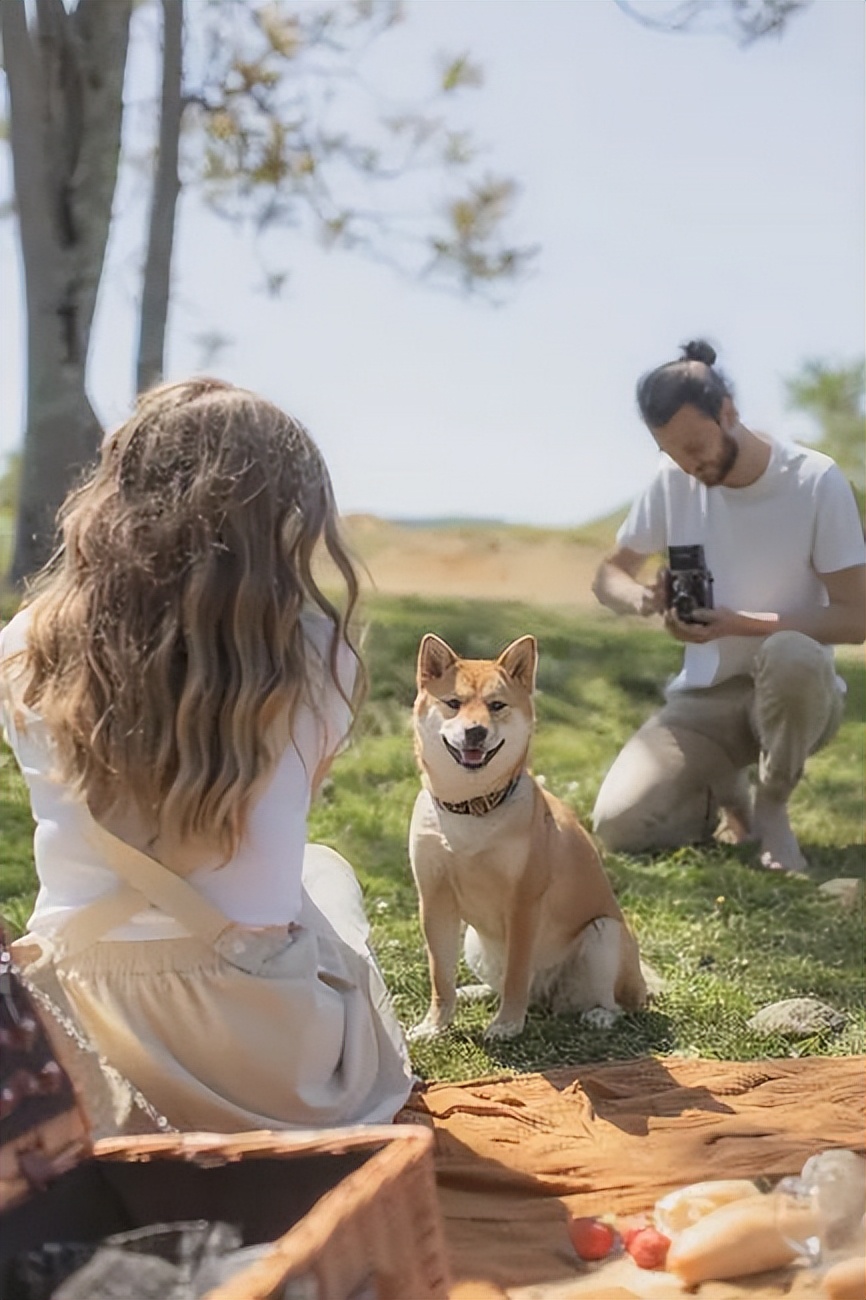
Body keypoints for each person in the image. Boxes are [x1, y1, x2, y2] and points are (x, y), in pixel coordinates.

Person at [0, 378, 414, 1132]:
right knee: (324, 872)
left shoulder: (25, 643)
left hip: (84, 1050)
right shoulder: (320, 652)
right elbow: (281, 820)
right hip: (266, 1069)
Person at [591, 339, 866, 874]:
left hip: (796, 692)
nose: (690, 466)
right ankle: (723, 792)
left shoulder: (814, 481)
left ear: (729, 412)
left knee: (790, 654)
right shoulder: (673, 480)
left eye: (696, 446)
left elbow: (858, 617)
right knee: (619, 825)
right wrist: (645, 598)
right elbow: (609, 575)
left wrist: (741, 624)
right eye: (673, 454)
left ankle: (772, 806)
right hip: (706, 699)